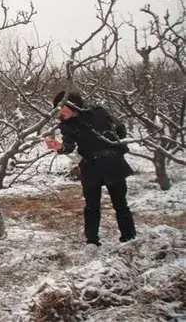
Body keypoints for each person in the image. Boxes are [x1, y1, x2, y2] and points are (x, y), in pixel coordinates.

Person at [46, 91, 136, 247]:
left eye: (62, 108)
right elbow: (69, 146)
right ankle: (92, 242)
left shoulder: (98, 113)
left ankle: (130, 238)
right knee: (91, 206)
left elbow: (119, 128)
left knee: (120, 204)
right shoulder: (66, 125)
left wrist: (117, 147)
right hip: (90, 166)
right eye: (58, 110)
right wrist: (60, 147)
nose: (60, 112)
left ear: (73, 106)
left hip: (112, 163)